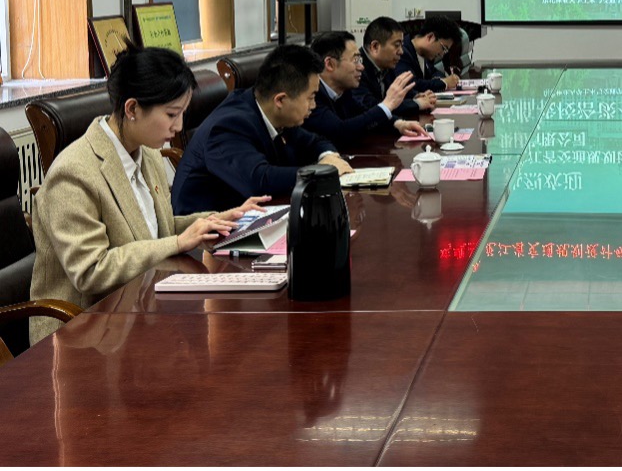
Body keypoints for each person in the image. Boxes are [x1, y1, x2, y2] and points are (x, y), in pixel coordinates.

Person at [29, 46, 268, 344]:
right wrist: (178, 242)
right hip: (85, 333)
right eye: (171, 114)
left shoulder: (148, 153)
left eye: (182, 113)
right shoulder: (73, 174)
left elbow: (157, 229)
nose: (179, 127)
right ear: (132, 109)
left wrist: (217, 221)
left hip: (140, 312)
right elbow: (92, 271)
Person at [172, 44, 353, 215]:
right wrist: (322, 171)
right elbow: (259, 181)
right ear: (280, 100)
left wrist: (328, 156)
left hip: (251, 214)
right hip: (205, 228)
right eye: (311, 97)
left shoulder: (273, 112)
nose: (314, 105)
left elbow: (314, 142)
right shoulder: (229, 126)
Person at [304, 30, 425, 147]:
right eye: (355, 60)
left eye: (360, 60)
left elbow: (364, 116)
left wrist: (398, 124)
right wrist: (387, 105)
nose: (361, 67)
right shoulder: (310, 95)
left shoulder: (344, 91)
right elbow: (341, 132)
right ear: (330, 64)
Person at [355, 16, 437, 118]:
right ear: (375, 46)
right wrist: (416, 103)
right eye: (396, 45)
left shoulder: (386, 65)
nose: (401, 51)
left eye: (401, 45)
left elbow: (397, 94)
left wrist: (416, 96)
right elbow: (373, 107)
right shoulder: (357, 70)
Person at [396, 15, 461, 94]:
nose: (442, 54)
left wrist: (440, 79)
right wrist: (444, 83)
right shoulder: (402, 52)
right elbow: (411, 84)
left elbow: (434, 72)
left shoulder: (425, 54)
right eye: (443, 48)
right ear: (430, 37)